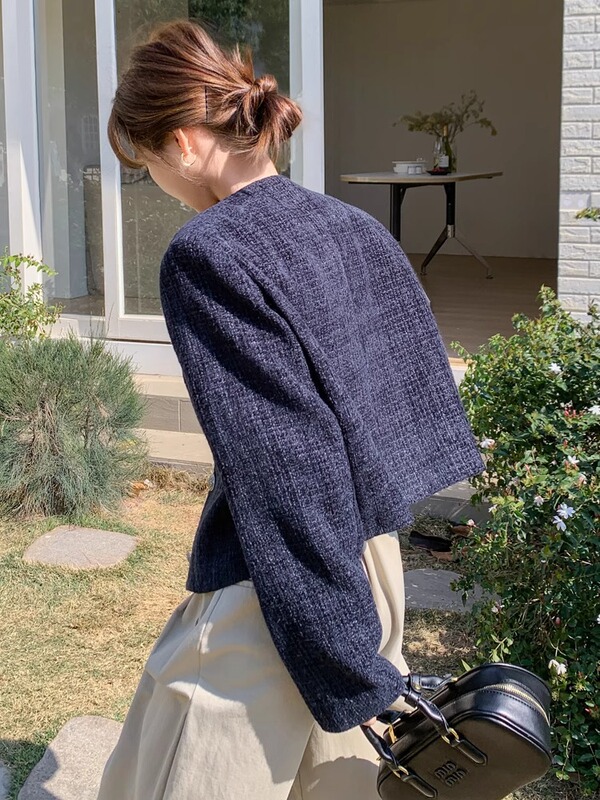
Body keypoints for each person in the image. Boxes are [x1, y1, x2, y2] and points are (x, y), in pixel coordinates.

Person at [97, 18, 485, 800]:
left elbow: (287, 470)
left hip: (283, 588)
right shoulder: (352, 226)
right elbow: (400, 399)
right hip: (372, 563)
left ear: (180, 143)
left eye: (145, 167)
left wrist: (341, 654)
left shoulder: (210, 253)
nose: (159, 186)